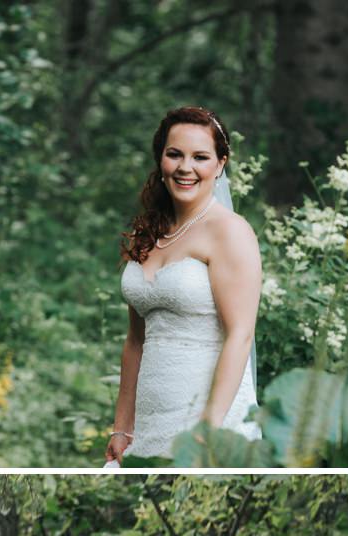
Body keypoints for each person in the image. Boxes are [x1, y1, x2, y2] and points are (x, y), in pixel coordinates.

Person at [106, 105, 261, 464]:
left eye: (200, 157)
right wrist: (122, 425)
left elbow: (240, 334)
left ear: (220, 164)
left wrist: (209, 427)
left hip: (207, 418)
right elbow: (135, 340)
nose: (185, 167)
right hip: (148, 422)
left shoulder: (229, 231)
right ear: (161, 159)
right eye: (174, 154)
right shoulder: (148, 235)